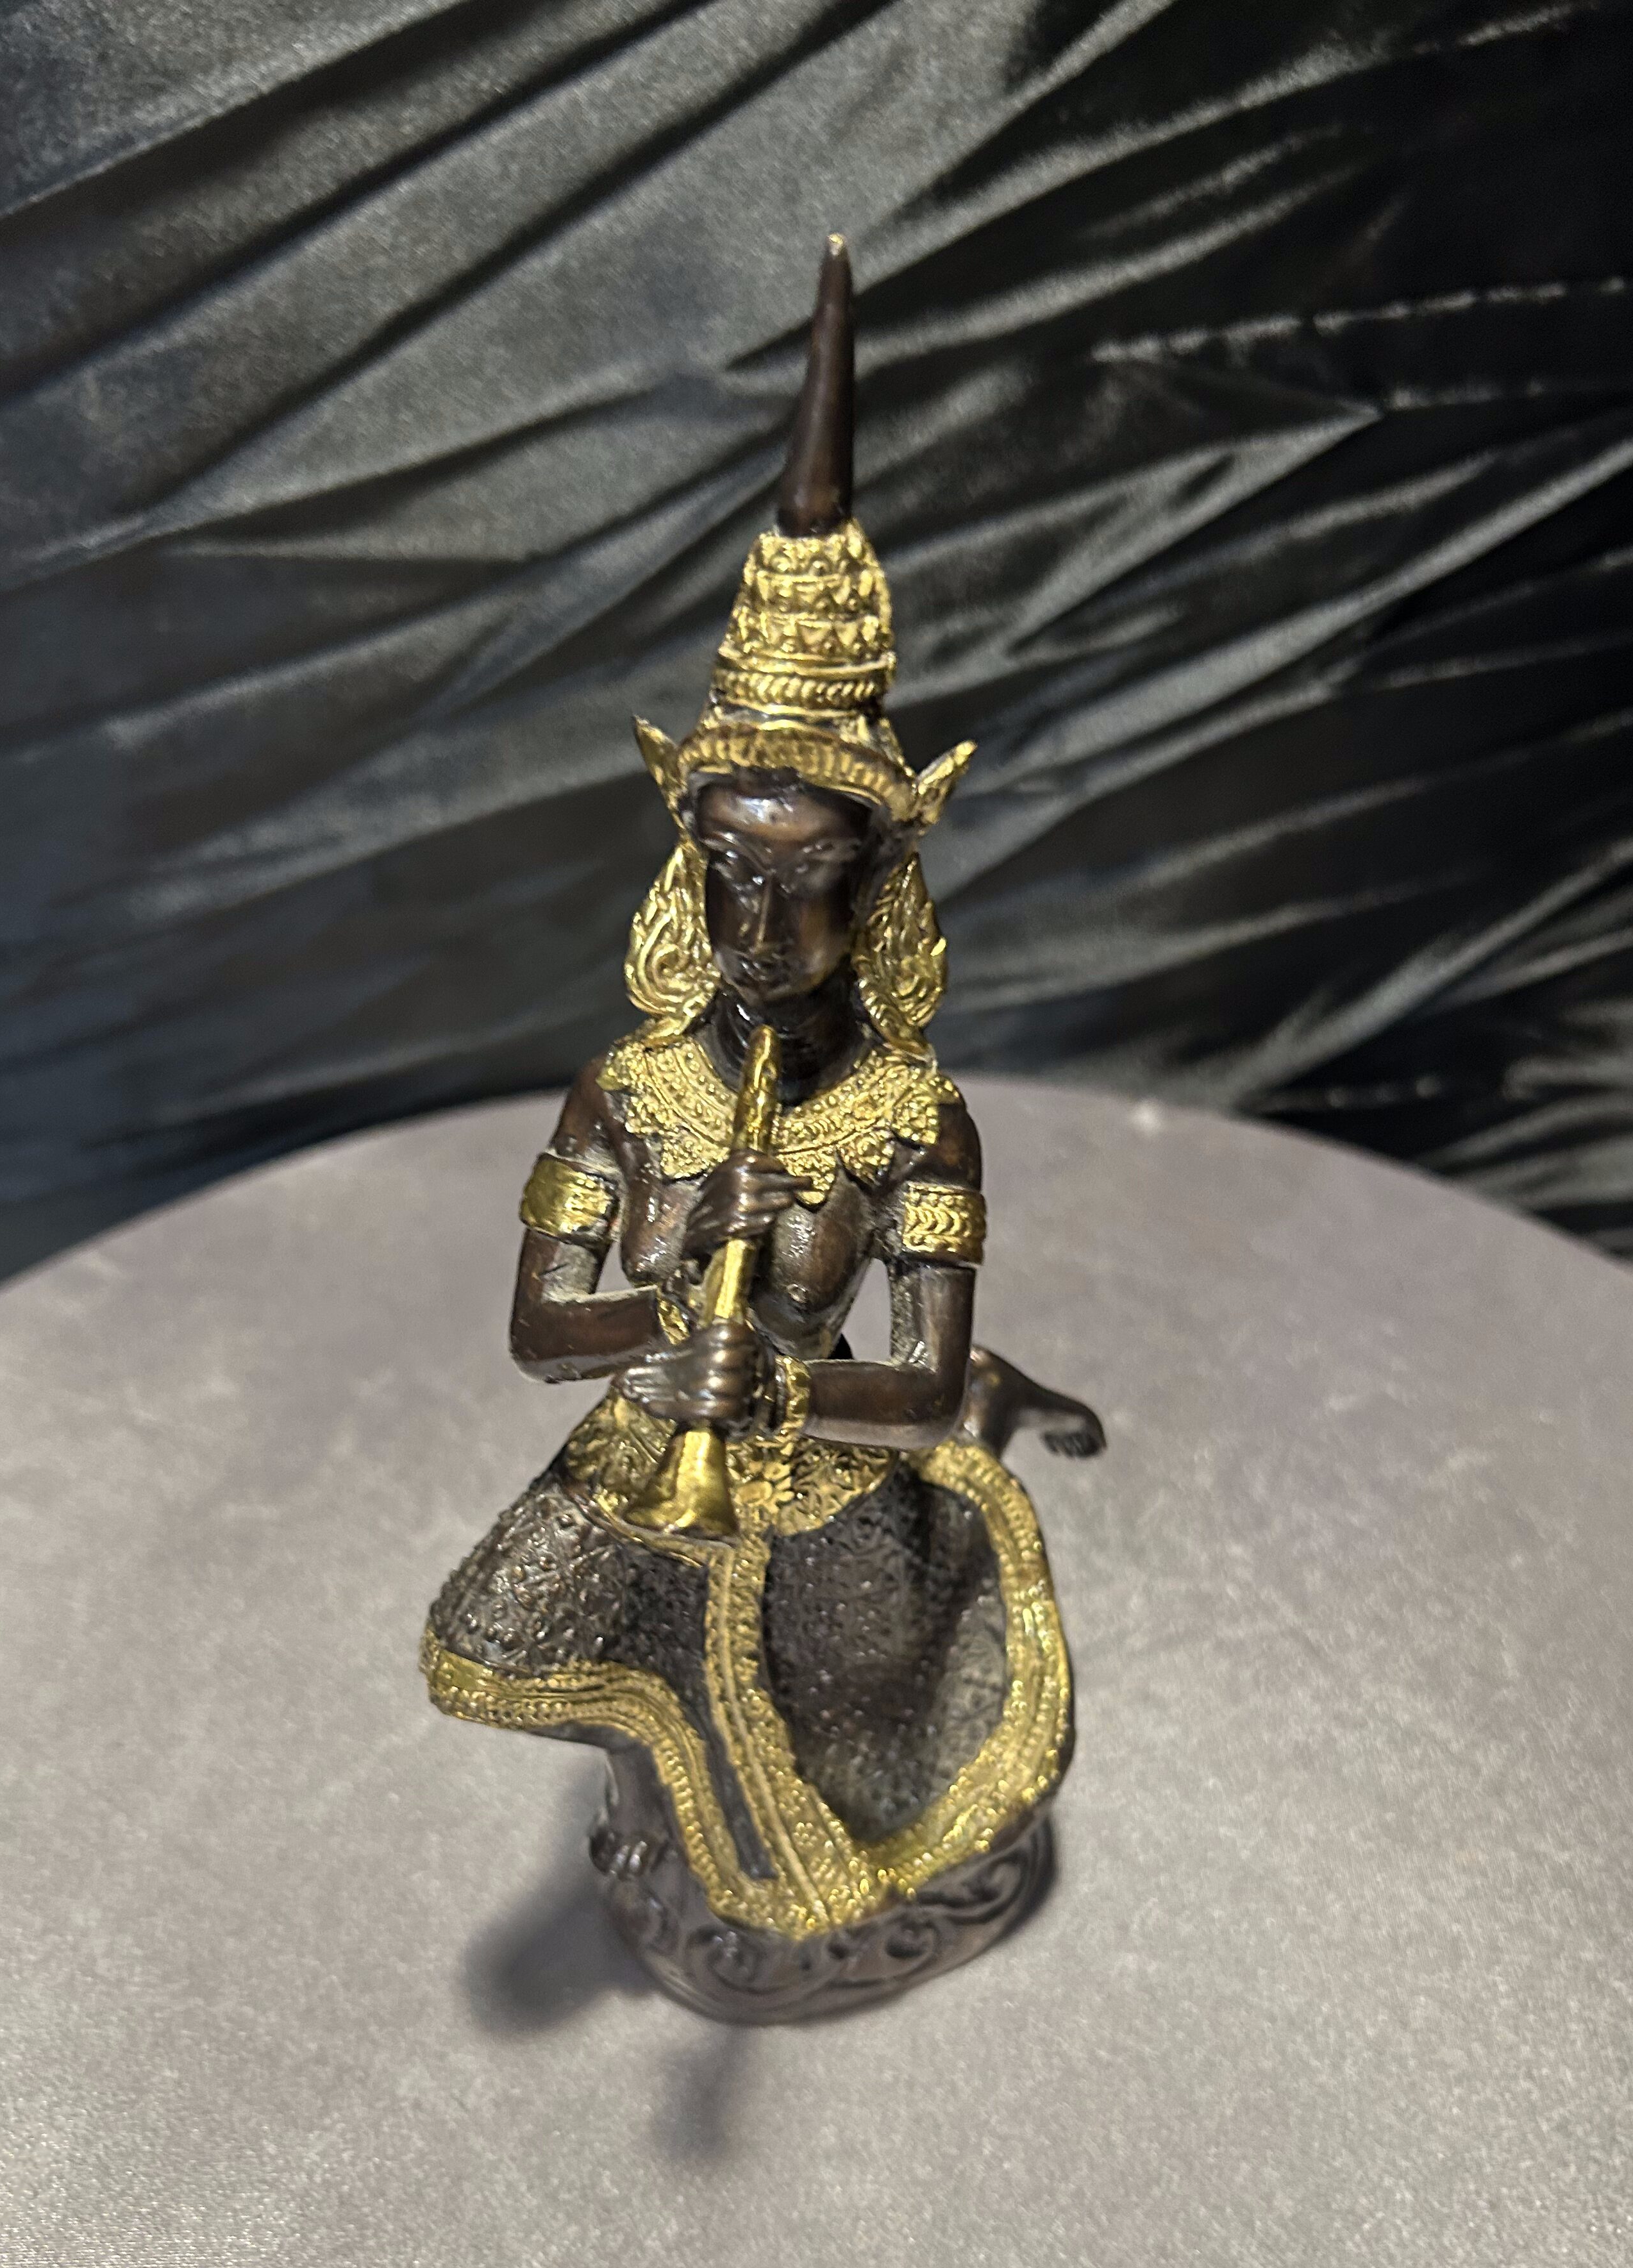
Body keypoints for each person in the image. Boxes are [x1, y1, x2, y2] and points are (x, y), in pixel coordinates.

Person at [423, 239, 1102, 2020]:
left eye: (808, 886)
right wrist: (666, 1335)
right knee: (558, 1652)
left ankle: (799, 1904)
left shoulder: (911, 1120)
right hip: (656, 1451)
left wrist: (786, 1396)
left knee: (831, 1709)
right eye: (731, 874)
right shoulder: (626, 1093)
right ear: (690, 867)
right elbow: (537, 1330)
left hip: (816, 1484)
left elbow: (921, 1381)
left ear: (875, 894)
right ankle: (678, 1878)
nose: (762, 927)